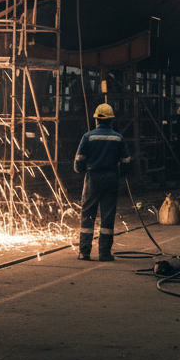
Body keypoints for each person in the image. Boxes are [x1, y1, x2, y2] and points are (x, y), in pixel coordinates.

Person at [74, 102, 131, 262]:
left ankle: (84, 252)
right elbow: (127, 161)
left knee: (87, 216)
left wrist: (82, 171)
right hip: (111, 178)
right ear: (111, 120)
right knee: (107, 216)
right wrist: (121, 174)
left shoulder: (88, 137)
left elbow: (79, 161)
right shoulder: (118, 138)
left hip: (93, 178)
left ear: (96, 120)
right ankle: (104, 253)